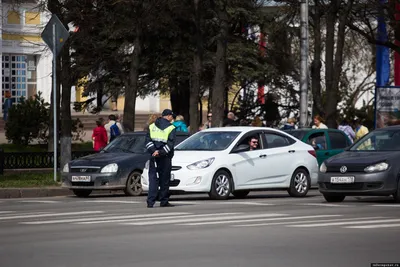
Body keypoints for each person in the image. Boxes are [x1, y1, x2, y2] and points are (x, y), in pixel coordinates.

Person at [145, 109, 177, 208]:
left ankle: (150, 201)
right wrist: (161, 152)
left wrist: (153, 151)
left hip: (153, 156)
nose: (172, 118)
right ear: (168, 116)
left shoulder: (152, 126)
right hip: (165, 157)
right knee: (164, 179)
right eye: (171, 116)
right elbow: (170, 144)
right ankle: (163, 201)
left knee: (153, 179)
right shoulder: (171, 128)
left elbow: (147, 141)